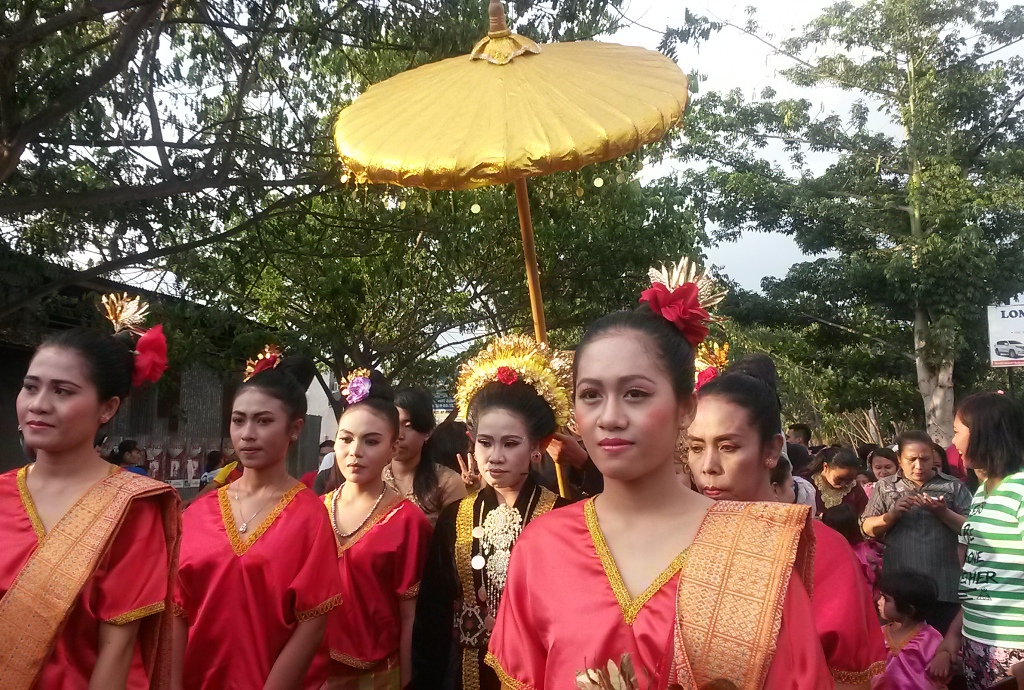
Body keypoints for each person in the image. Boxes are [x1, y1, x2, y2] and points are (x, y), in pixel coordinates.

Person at [486, 264, 833, 688]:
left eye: (636, 394)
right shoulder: (542, 545)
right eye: (591, 395)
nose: (610, 417)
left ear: (686, 408)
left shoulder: (756, 547)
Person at [0, 299, 179, 688]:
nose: (38, 404)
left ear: (107, 408)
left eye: (63, 392)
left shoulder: (132, 506)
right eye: (31, 387)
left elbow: (117, 652)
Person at [688, 355, 886, 688]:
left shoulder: (821, 550)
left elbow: (849, 678)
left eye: (727, 446)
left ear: (771, 450)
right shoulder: (676, 539)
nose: (708, 466)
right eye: (695, 447)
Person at [172, 347, 343, 689]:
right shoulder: (199, 512)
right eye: (239, 420)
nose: (247, 433)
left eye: (264, 421)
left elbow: (312, 623)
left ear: (294, 429)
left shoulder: (310, 516)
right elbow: (178, 610)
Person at [412, 335, 572, 689]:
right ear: (472, 440)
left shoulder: (565, 517)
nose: (494, 456)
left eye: (510, 443)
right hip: (463, 672)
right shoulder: (455, 516)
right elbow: (432, 614)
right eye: (485, 442)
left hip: (539, 673)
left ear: (538, 447)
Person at [323, 370, 432, 688]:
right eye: (345, 439)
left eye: (371, 441)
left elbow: (411, 616)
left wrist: (406, 680)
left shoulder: (408, 521)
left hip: (378, 674)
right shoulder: (312, 511)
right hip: (311, 670)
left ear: (392, 446)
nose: (355, 451)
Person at [928, 393, 1024, 689]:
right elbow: (980, 580)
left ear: (984, 433)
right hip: (978, 643)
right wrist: (955, 636)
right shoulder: (982, 493)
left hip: (1016, 648)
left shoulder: (1020, 490)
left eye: (957, 432)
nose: (953, 443)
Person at [861, 430, 972, 635]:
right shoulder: (885, 487)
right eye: (911, 459)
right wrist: (892, 515)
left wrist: (943, 512)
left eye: (925, 459)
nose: (918, 466)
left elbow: (972, 529)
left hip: (943, 587)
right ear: (899, 460)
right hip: (900, 592)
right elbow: (867, 528)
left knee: (941, 650)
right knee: (901, 651)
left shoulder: (952, 486)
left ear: (934, 457)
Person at [384, 387, 467, 525]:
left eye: (408, 426)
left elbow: (457, 540)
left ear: (427, 432)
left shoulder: (447, 482)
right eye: (393, 425)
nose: (399, 435)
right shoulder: (374, 479)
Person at [873, 570, 946, 690]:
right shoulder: (878, 634)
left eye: (886, 598)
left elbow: (954, 662)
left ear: (909, 609)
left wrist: (945, 656)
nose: (878, 601)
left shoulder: (930, 638)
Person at [823, 504, 883, 602]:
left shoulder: (862, 553)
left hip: (858, 600)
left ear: (843, 531)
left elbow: (873, 577)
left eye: (829, 529)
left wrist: (875, 569)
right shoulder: (829, 548)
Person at [802, 445, 870, 518]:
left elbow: (865, 517)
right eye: (839, 479)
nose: (843, 484)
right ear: (825, 467)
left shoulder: (855, 489)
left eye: (849, 480)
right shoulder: (806, 486)